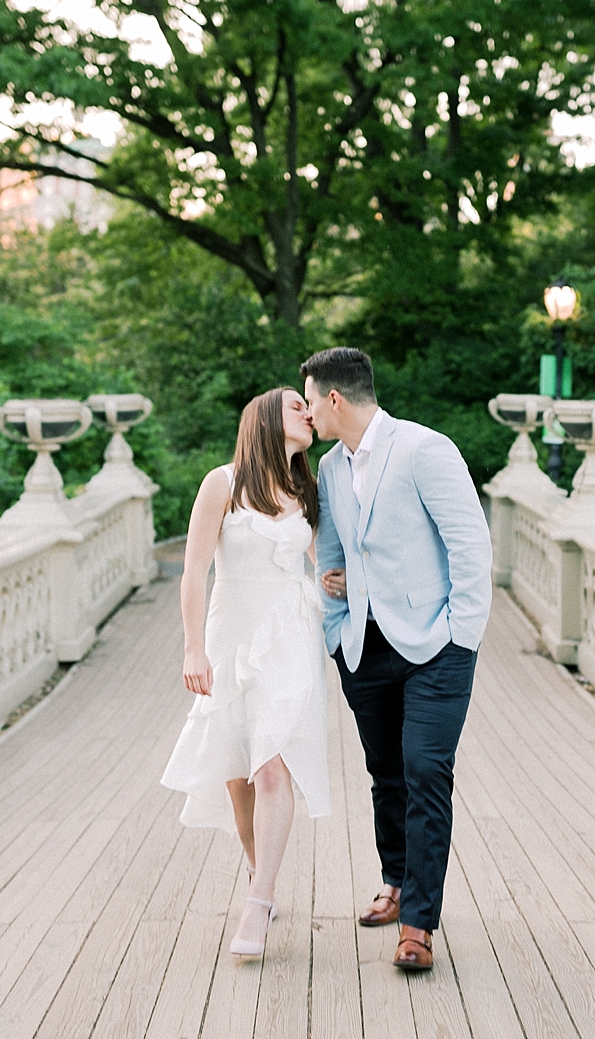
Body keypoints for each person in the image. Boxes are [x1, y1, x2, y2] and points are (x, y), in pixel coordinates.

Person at [302, 347, 493, 971]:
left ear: (335, 398)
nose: (305, 411)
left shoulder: (424, 450)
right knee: (386, 770)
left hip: (436, 646)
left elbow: (470, 545)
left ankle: (418, 922)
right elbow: (330, 555)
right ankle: (393, 879)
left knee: (425, 771)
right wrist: (337, 625)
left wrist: (462, 637)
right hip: (362, 647)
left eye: (309, 399)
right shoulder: (330, 467)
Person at [160, 387, 331, 959]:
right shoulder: (222, 484)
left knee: (272, 766)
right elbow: (193, 573)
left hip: (290, 638)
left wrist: (340, 583)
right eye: (296, 407)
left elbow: (322, 563)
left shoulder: (310, 489)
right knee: (238, 772)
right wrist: (193, 650)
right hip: (230, 636)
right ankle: (261, 868)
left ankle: (256, 906)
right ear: (263, 419)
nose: (308, 414)